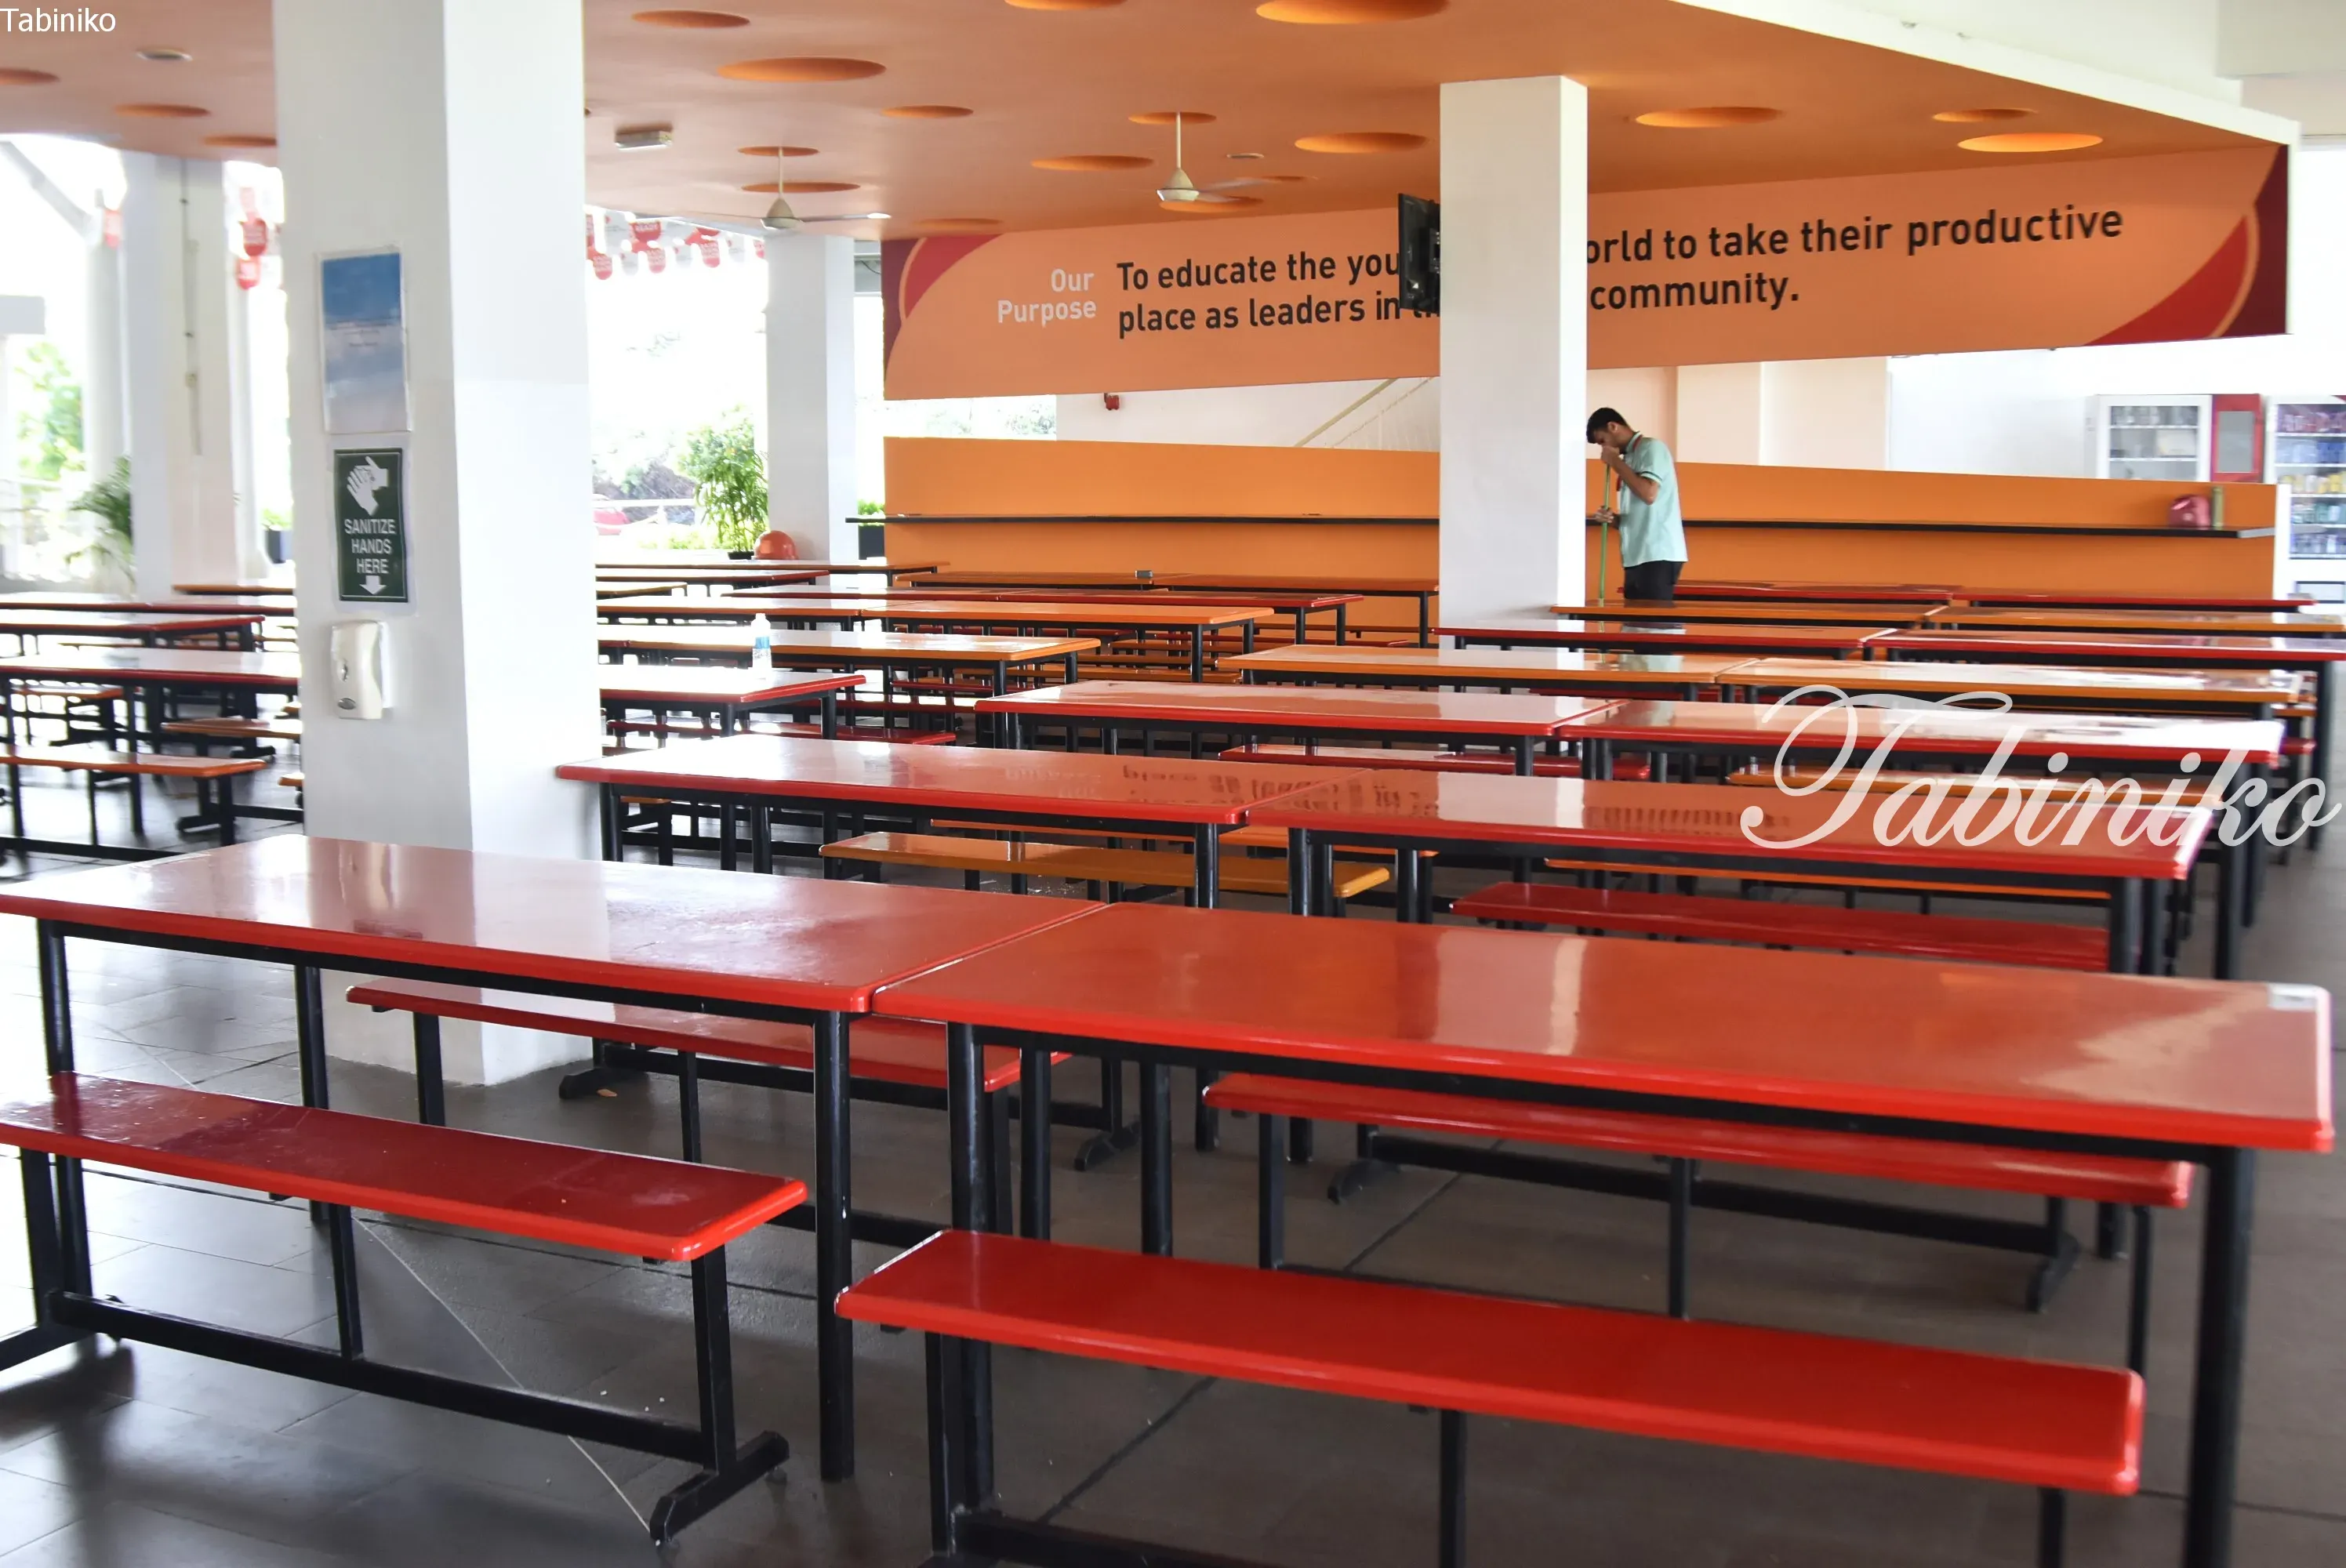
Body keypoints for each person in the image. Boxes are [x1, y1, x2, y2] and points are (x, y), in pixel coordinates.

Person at [1587, 408, 1685, 604]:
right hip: (1636, 556)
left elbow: (1649, 494)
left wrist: (1615, 462)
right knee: (1635, 620)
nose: (1603, 449)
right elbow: (1639, 512)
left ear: (1613, 427)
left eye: (1603, 441)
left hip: (1657, 554)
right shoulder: (1629, 458)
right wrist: (1614, 519)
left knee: (1653, 620)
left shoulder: (1651, 448)